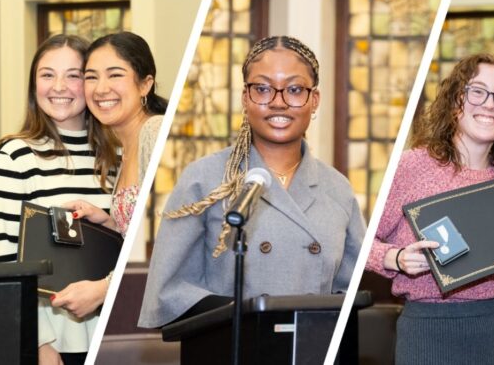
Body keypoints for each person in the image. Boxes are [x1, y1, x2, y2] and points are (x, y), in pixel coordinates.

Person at [138, 36, 365, 328]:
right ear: (245, 98)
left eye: (295, 90)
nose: (279, 103)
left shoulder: (337, 188)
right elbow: (169, 290)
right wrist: (245, 314)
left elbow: (352, 289)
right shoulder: (204, 178)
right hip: (232, 345)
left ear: (314, 100)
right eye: (262, 89)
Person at [365, 53, 494, 365]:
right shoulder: (412, 166)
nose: (489, 104)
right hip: (426, 329)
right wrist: (397, 258)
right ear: (456, 101)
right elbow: (362, 245)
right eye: (477, 91)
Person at [0, 34, 117, 365]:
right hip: (50, 342)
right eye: (47, 74)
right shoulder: (15, 155)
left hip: (112, 328)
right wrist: (37, 342)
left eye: (74, 75)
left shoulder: (120, 156)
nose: (59, 86)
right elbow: (3, 256)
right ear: (33, 84)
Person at [68, 31, 168, 235]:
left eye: (115, 75)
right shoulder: (123, 147)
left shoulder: (155, 131)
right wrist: (108, 222)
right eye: (91, 77)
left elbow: (166, 229)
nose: (101, 89)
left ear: (145, 85)